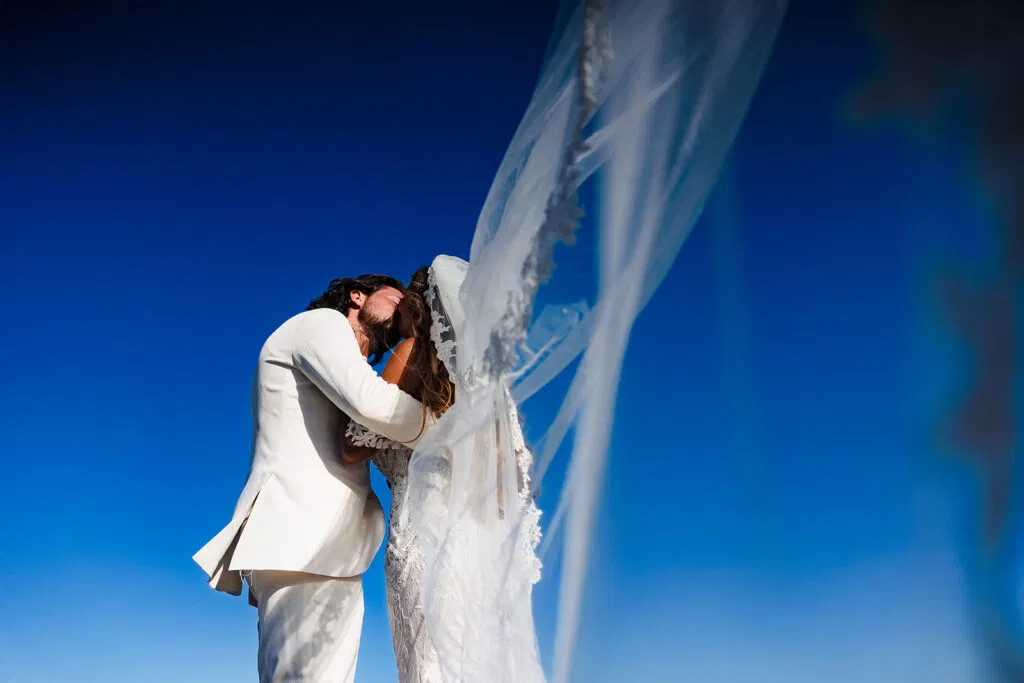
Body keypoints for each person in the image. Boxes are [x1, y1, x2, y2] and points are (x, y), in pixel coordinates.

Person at [193, 273, 430, 683]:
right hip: (301, 535)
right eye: (395, 298)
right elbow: (372, 404)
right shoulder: (322, 323)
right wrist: (448, 423)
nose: (401, 310)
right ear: (358, 295)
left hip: (326, 546)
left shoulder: (344, 359)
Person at [342, 257, 544, 683]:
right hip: (474, 536)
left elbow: (352, 447)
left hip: (421, 528)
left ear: (418, 307)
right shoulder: (481, 391)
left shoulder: (410, 352)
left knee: (426, 665)